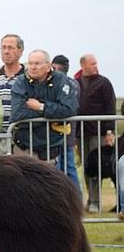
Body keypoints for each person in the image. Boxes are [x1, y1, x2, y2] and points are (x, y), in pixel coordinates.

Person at [10, 50, 78, 161]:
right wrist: (51, 116)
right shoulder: (20, 82)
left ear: (48, 66)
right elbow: (17, 114)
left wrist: (41, 106)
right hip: (24, 145)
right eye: (30, 63)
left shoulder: (61, 80)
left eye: (37, 63)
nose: (33, 67)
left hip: (50, 147)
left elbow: (68, 109)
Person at [75, 54, 116, 213]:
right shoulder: (76, 82)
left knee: (97, 166)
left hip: (97, 131)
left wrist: (109, 130)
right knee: (87, 167)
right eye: (92, 63)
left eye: (96, 63)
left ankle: (96, 201)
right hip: (80, 132)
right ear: (83, 65)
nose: (95, 66)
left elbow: (110, 106)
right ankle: (90, 199)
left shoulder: (103, 83)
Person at [51, 55, 81, 191]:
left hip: (58, 133)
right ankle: (76, 199)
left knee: (60, 170)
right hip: (67, 133)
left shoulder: (61, 83)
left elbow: (62, 107)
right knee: (69, 169)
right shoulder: (75, 83)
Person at [0, 34, 25, 153]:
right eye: (3, 48)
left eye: (10, 48)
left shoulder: (27, 76)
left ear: (20, 51)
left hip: (21, 137)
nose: (6, 51)